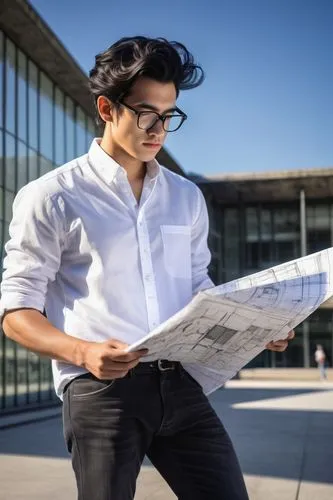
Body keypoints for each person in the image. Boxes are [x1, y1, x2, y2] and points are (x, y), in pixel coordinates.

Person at [0, 36, 294, 500]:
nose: (159, 129)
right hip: (100, 391)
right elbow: (16, 313)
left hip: (181, 384)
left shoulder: (186, 197)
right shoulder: (51, 196)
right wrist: (82, 352)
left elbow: (199, 287)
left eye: (169, 115)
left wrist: (255, 325)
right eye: (146, 113)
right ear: (106, 108)